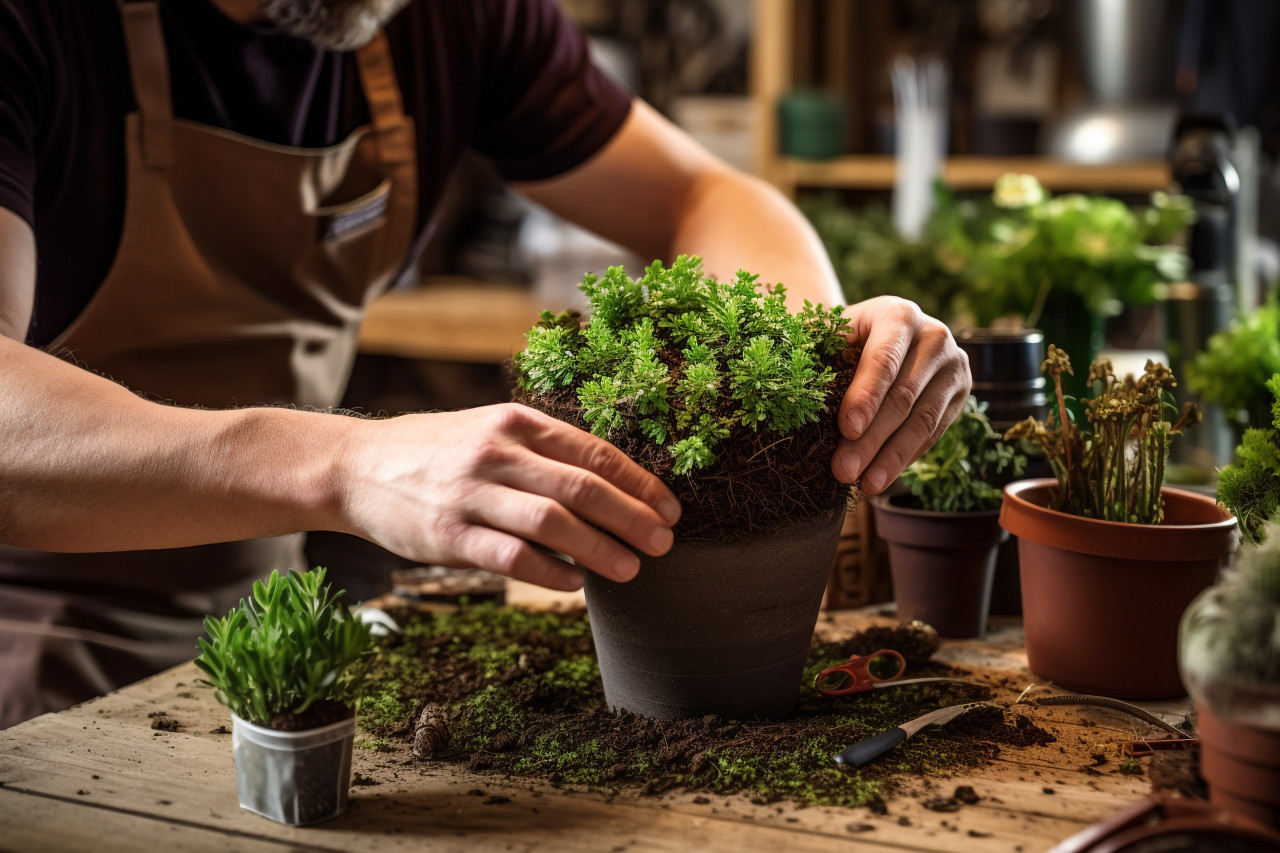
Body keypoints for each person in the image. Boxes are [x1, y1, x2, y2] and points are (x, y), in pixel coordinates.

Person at [0, 0, 970, 728]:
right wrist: (346, 465)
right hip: (38, 656)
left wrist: (808, 353)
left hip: (270, 633)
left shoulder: (425, 17)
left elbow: (702, 197)